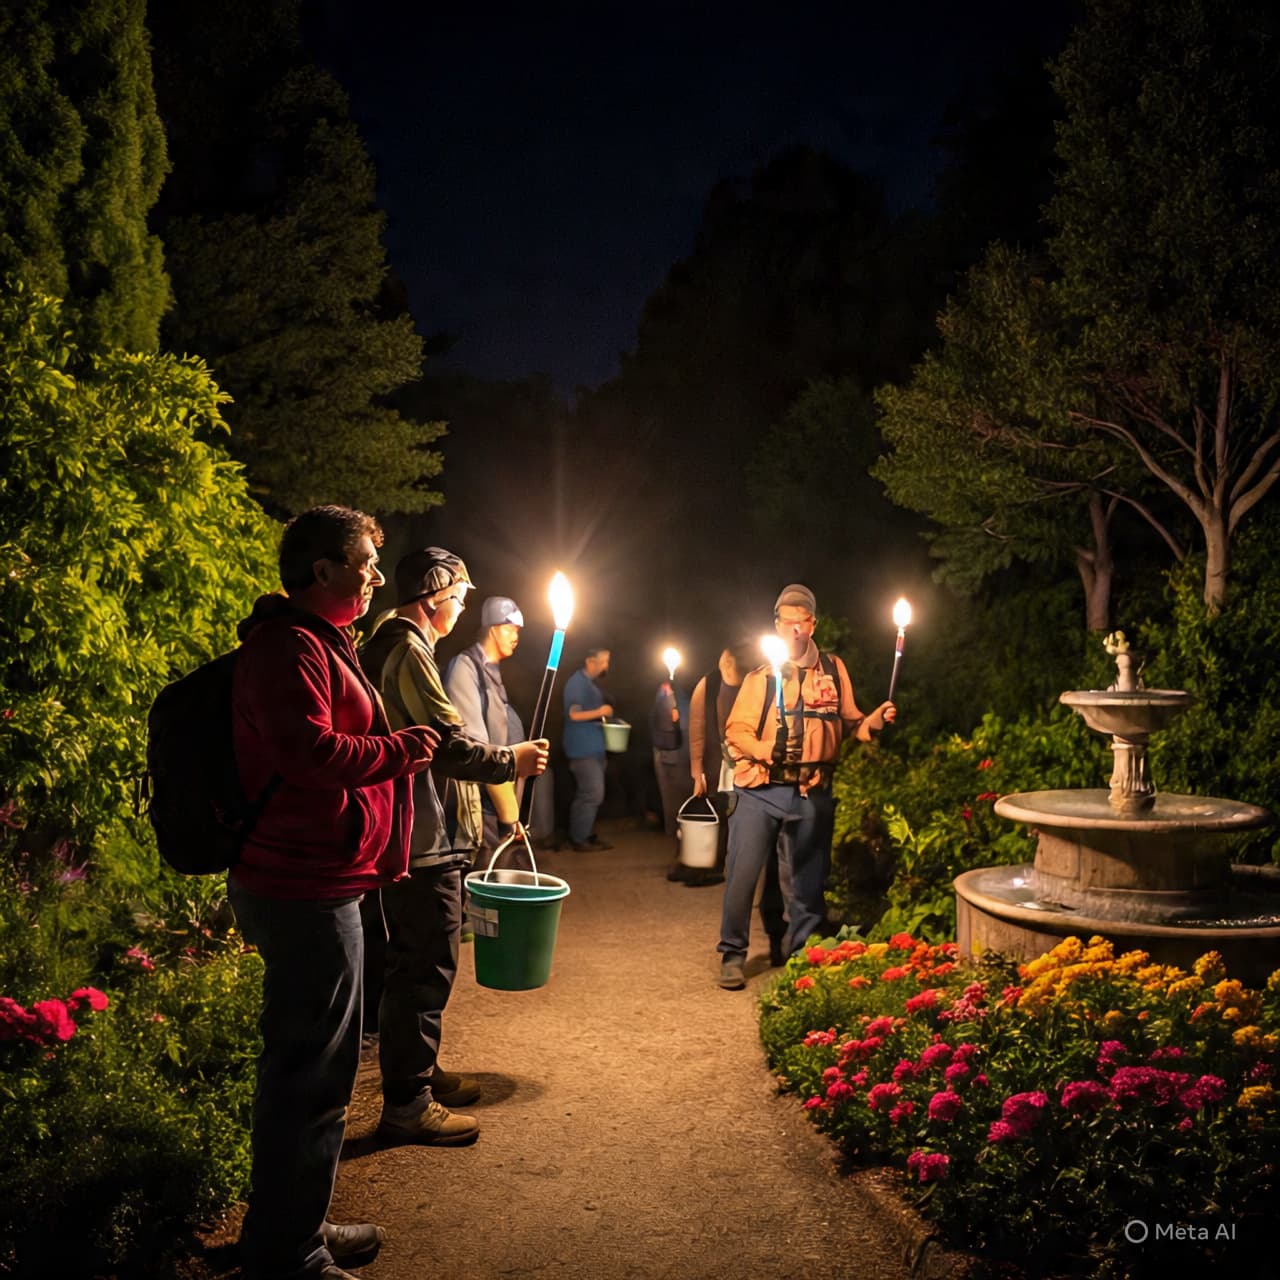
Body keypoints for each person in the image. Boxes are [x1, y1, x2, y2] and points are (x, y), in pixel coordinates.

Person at [229, 505, 441, 1280]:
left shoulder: (319, 641)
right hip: (301, 885)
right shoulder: (288, 647)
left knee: (317, 1068)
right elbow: (308, 751)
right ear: (322, 571)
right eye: (365, 565)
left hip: (322, 879)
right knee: (309, 1073)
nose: (377, 578)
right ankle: (289, 1254)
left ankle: (293, 1226)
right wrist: (400, 749)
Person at [360, 549, 549, 1146]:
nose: (462, 608)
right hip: (418, 836)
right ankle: (407, 1103)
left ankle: (420, 1073)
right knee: (426, 961)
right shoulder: (406, 648)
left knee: (418, 960)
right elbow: (448, 742)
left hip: (419, 831)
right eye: (459, 597)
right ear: (434, 593)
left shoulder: (396, 644)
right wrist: (509, 761)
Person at [716, 584, 895, 991]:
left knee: (808, 880)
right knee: (743, 874)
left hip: (812, 791)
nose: (794, 630)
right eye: (787, 622)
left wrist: (875, 721)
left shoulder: (833, 670)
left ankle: (803, 956)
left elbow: (854, 723)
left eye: (802, 622)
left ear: (813, 624)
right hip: (759, 791)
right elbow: (735, 730)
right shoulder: (762, 676)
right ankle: (732, 953)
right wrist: (765, 748)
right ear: (777, 626)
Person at [444, 595, 555, 852]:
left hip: (497, 812)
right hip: (477, 813)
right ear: (493, 629)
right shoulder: (466, 667)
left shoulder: (492, 673)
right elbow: (476, 745)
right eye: (510, 629)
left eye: (517, 630)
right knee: (481, 883)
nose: (516, 636)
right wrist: (510, 813)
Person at [562, 645, 614, 851]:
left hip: (593, 748)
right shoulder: (576, 683)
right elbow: (573, 714)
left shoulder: (589, 684)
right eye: (603, 661)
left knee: (591, 793)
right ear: (590, 661)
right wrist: (601, 711)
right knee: (591, 793)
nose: (605, 666)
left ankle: (585, 834)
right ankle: (578, 838)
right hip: (581, 750)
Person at [650, 673, 692, 840]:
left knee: (680, 795)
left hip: (680, 753)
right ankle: (675, 834)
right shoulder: (662, 697)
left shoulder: (682, 699)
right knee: (671, 797)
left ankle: (683, 834)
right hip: (667, 752)